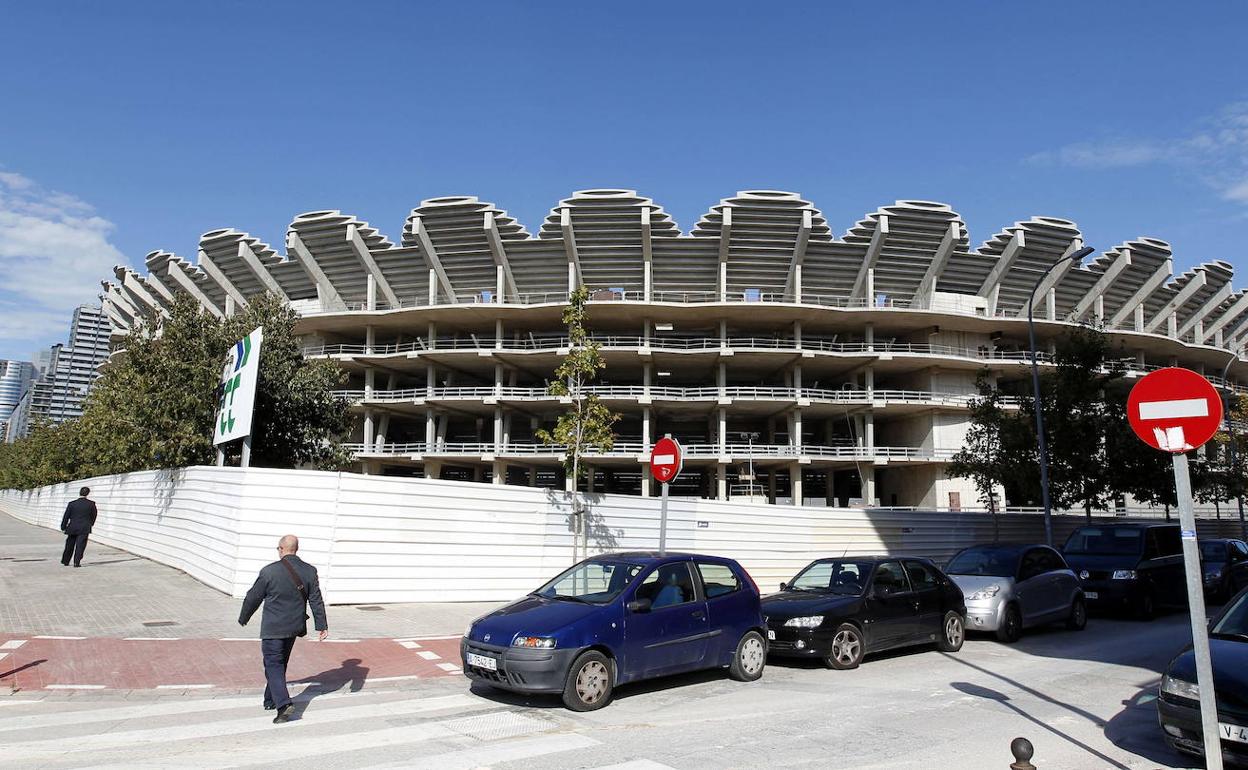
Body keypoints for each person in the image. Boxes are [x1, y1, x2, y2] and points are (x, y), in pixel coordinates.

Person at [238, 534, 329, 724]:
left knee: (273, 663)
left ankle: (283, 705)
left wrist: (244, 617)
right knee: (279, 663)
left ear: (281, 549)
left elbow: (253, 597)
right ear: (296, 549)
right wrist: (321, 625)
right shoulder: (309, 571)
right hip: (294, 627)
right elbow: (316, 600)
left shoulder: (269, 572)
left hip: (273, 627)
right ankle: (270, 699)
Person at [60, 487, 97, 568]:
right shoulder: (91, 504)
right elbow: (94, 516)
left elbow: (66, 516)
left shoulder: (72, 504)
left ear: (79, 492)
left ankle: (66, 561)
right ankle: (77, 562)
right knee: (81, 545)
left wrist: (63, 526)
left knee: (69, 544)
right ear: (88, 493)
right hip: (84, 527)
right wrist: (90, 524)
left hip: (72, 526)